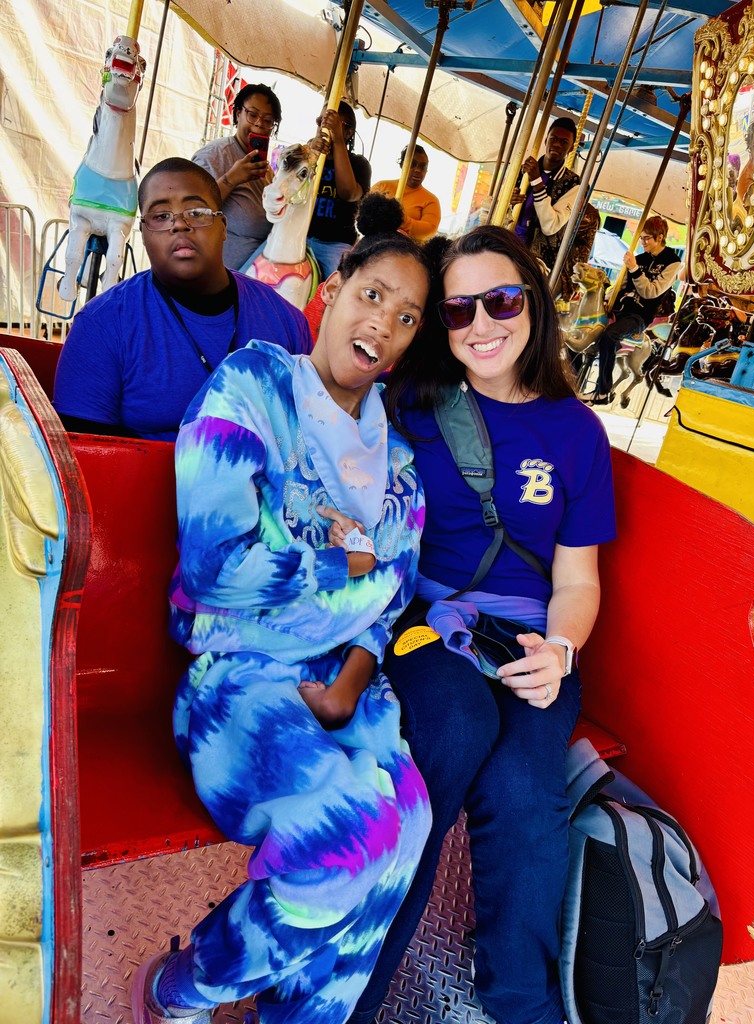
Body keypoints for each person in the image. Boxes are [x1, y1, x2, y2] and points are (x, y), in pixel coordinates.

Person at [130, 196, 434, 1024]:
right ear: (332, 286)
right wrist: (349, 563)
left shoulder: (399, 463)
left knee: (408, 826)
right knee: (344, 844)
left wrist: (349, 669)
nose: (383, 325)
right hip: (238, 685)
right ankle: (185, 987)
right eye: (373, 294)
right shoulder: (257, 384)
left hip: (343, 690)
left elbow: (393, 595)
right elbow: (219, 565)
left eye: (407, 318)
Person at [350, 225, 616, 1024]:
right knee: (454, 733)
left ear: (532, 302)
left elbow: (578, 578)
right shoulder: (414, 405)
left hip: (531, 635)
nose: (481, 325)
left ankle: (521, 1003)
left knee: (526, 787)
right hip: (426, 618)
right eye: (459, 310)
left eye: (500, 300)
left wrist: (561, 651)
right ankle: (353, 988)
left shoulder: (577, 432)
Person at [53, 158, 312, 440]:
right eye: (161, 216)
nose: (179, 225)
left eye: (197, 212)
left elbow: (311, 433)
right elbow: (86, 458)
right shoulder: (101, 325)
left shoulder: (287, 321)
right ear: (144, 234)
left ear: (222, 226)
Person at [583, 215, 682, 405]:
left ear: (660, 237)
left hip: (639, 315)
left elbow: (651, 291)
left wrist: (635, 268)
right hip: (619, 308)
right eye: (642, 238)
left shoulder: (673, 262)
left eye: (647, 239)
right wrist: (605, 298)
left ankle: (603, 391)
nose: (643, 242)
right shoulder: (640, 258)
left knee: (610, 336)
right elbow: (622, 284)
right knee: (584, 329)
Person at [192, 83, 281, 270]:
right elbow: (192, 211)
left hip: (257, 273)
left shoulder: (265, 169)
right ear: (238, 113)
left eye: (267, 120)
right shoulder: (214, 155)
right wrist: (231, 178)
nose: (259, 124)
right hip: (216, 274)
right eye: (253, 115)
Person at [509, 117, 581, 288]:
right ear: (545, 140)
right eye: (553, 138)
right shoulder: (522, 170)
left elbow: (551, 225)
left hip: (537, 260)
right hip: (509, 242)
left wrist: (536, 182)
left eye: (564, 142)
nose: (557, 144)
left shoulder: (573, 184)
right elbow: (499, 206)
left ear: (571, 148)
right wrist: (509, 203)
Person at [306, 100, 372, 279]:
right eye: (322, 122)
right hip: (301, 235)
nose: (324, 127)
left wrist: (338, 141)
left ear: (348, 132)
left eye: (334, 124)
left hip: (334, 243)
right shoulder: (308, 154)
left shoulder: (359, 165)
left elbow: (348, 192)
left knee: (338, 284)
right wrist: (311, 153)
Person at [372, 145, 442, 241]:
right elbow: (367, 216)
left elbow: (429, 230)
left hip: (406, 251)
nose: (417, 170)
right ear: (402, 165)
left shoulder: (431, 200)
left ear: (426, 170)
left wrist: (400, 219)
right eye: (412, 164)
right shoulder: (381, 187)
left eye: (422, 167)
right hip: (374, 244)